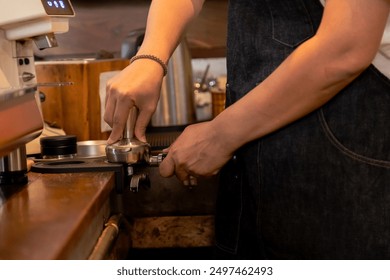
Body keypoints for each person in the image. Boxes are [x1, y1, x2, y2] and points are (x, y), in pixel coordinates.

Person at [105, 0, 390, 259]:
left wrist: (220, 135)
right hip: (258, 158)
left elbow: (347, 44)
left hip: (343, 157)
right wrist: (150, 57)